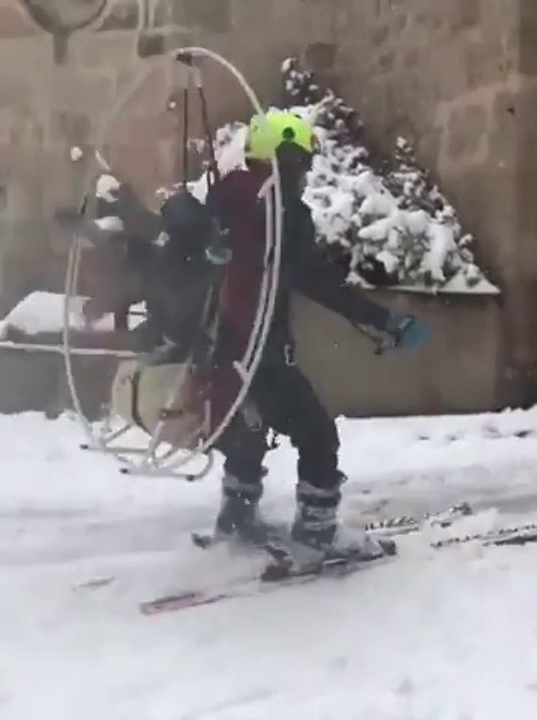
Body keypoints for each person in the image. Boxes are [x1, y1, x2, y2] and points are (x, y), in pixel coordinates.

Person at [201, 109, 429, 559]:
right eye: (301, 162)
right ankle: (318, 531)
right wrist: (381, 320)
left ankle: (237, 516)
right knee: (318, 434)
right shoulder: (283, 213)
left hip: (228, 344)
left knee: (252, 425)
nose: (304, 174)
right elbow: (316, 280)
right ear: (284, 156)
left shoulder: (227, 200)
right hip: (266, 348)